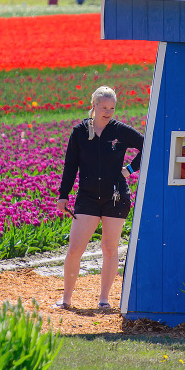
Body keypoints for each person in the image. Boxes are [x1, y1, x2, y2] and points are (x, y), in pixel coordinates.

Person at [56, 86, 143, 310]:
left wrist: (130, 169)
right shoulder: (79, 132)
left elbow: (149, 145)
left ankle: (103, 300)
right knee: (75, 248)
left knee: (109, 247)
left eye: (112, 108)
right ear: (93, 105)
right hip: (87, 197)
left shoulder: (120, 131)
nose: (107, 112)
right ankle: (66, 300)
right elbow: (70, 165)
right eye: (103, 107)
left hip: (116, 196)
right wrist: (63, 194)